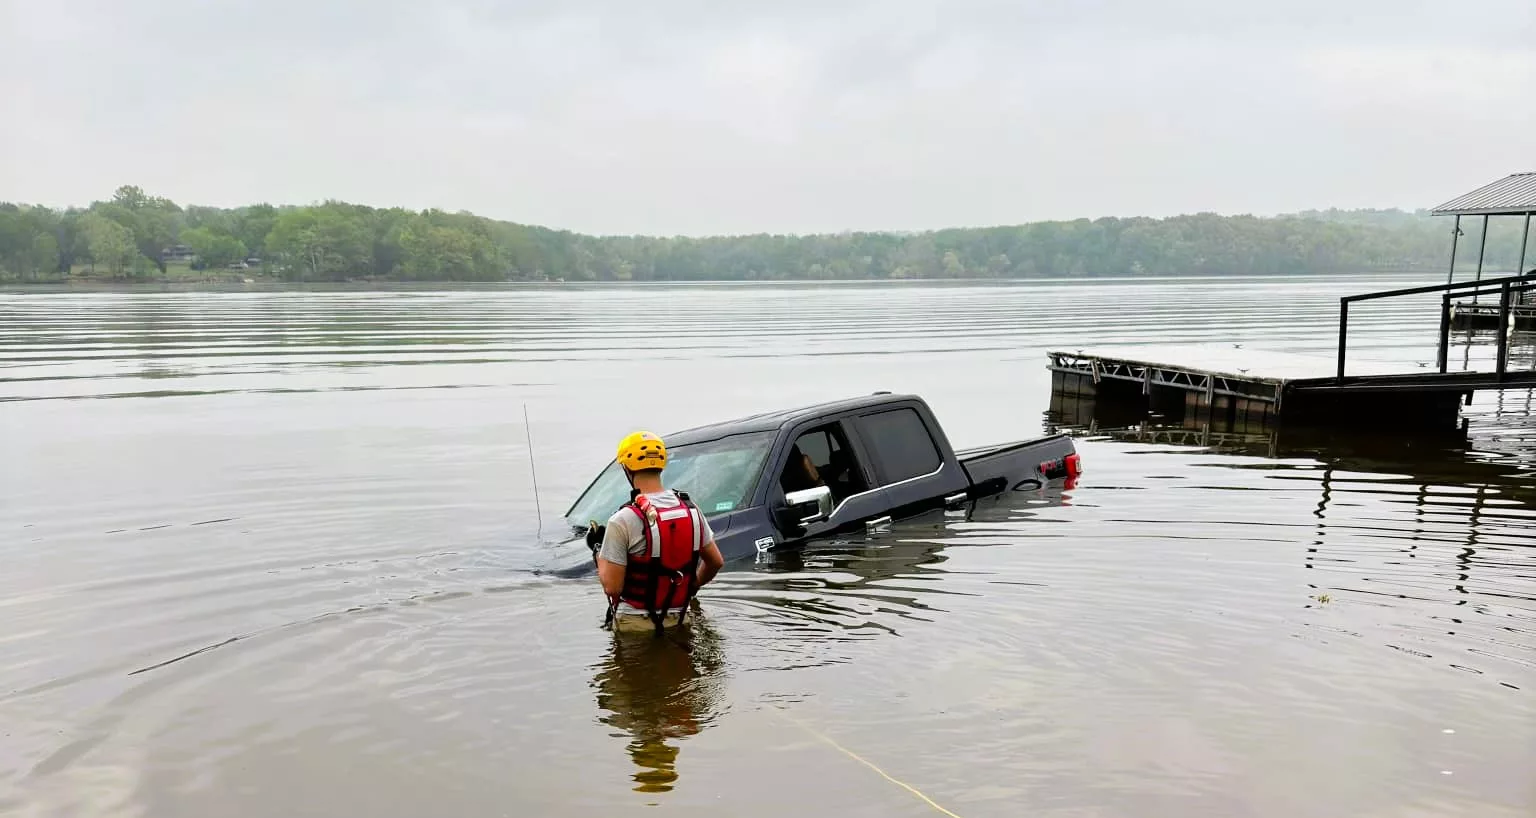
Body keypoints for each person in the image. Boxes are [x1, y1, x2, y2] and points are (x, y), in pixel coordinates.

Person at [589, 431, 725, 635]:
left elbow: (612, 588)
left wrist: (598, 549)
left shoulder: (622, 520)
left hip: (634, 625)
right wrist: (692, 586)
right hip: (680, 619)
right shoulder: (691, 510)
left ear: (627, 467)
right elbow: (715, 562)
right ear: (661, 464)